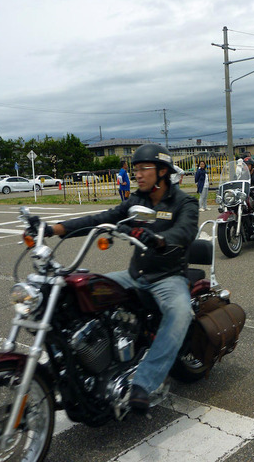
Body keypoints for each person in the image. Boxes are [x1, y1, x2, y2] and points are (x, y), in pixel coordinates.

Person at [42, 144, 198, 412]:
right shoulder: (136, 201)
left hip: (168, 277)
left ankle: (144, 383)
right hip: (134, 275)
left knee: (180, 312)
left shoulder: (184, 202)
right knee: (82, 292)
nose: (137, 174)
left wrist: (159, 239)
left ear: (162, 171)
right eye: (135, 169)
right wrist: (54, 228)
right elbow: (103, 217)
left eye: (143, 169)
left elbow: (184, 232)